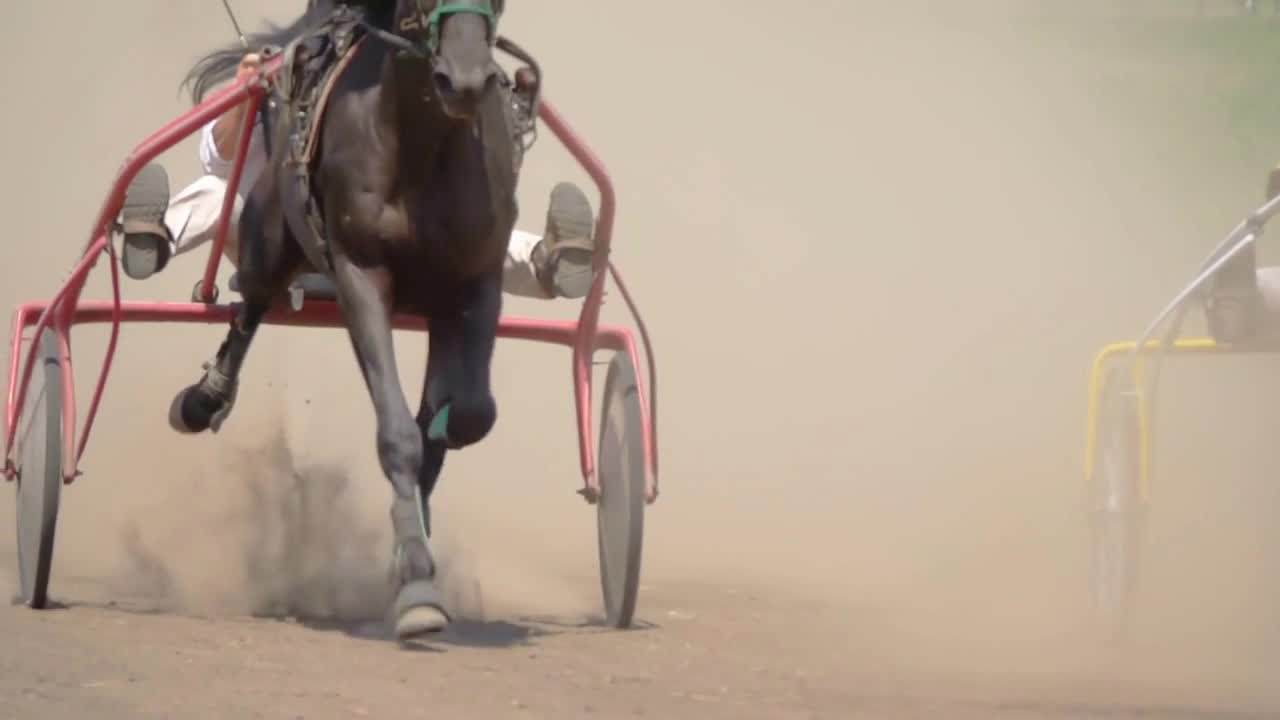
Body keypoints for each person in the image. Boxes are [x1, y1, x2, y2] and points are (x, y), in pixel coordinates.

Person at [119, 52, 598, 301]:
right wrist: (247, 95)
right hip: (275, 253)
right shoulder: (281, 87)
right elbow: (221, 156)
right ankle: (155, 239)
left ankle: (547, 263)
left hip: (382, 258)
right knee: (216, 194)